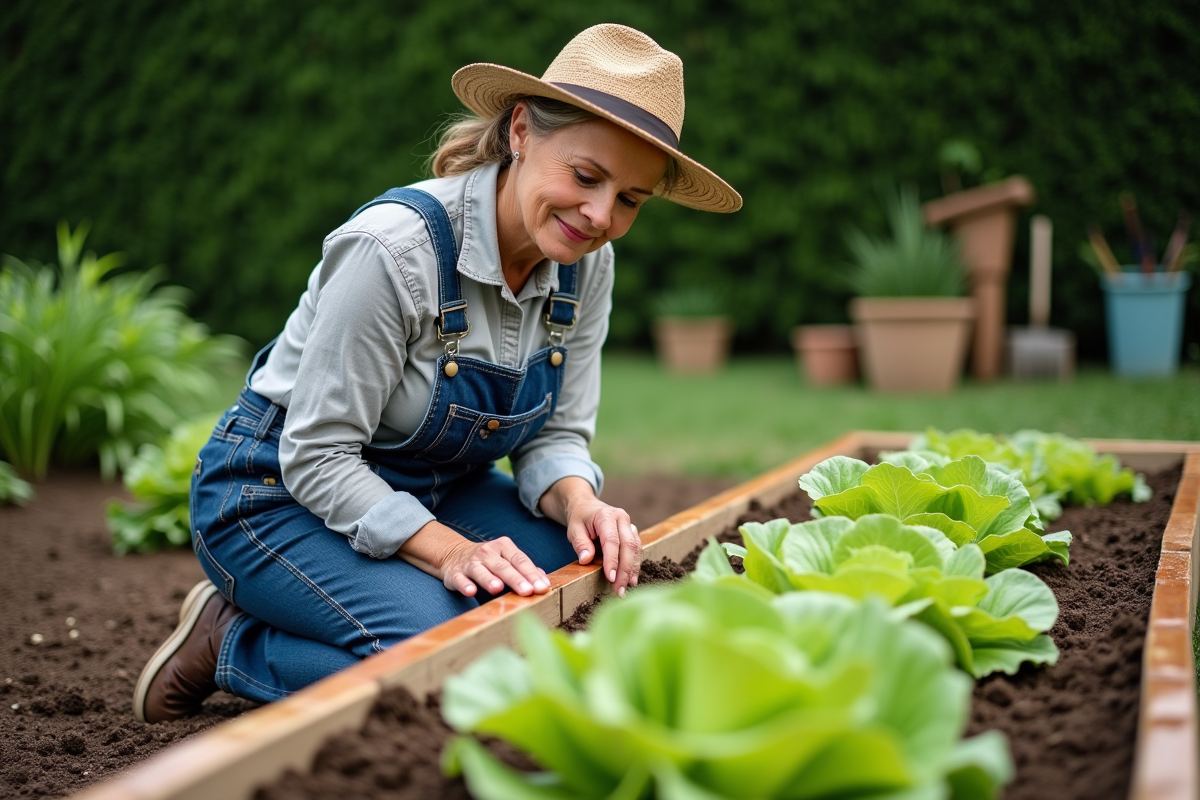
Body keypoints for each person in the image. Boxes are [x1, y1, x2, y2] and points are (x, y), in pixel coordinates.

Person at [133, 22, 741, 723]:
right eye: (585, 176)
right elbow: (318, 454)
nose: (601, 215)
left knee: (579, 588)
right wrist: (449, 553)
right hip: (275, 494)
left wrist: (581, 504)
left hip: (431, 487)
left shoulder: (587, 264)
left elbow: (556, 436)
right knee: (448, 652)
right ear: (520, 131)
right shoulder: (392, 252)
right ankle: (230, 641)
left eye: (631, 199)